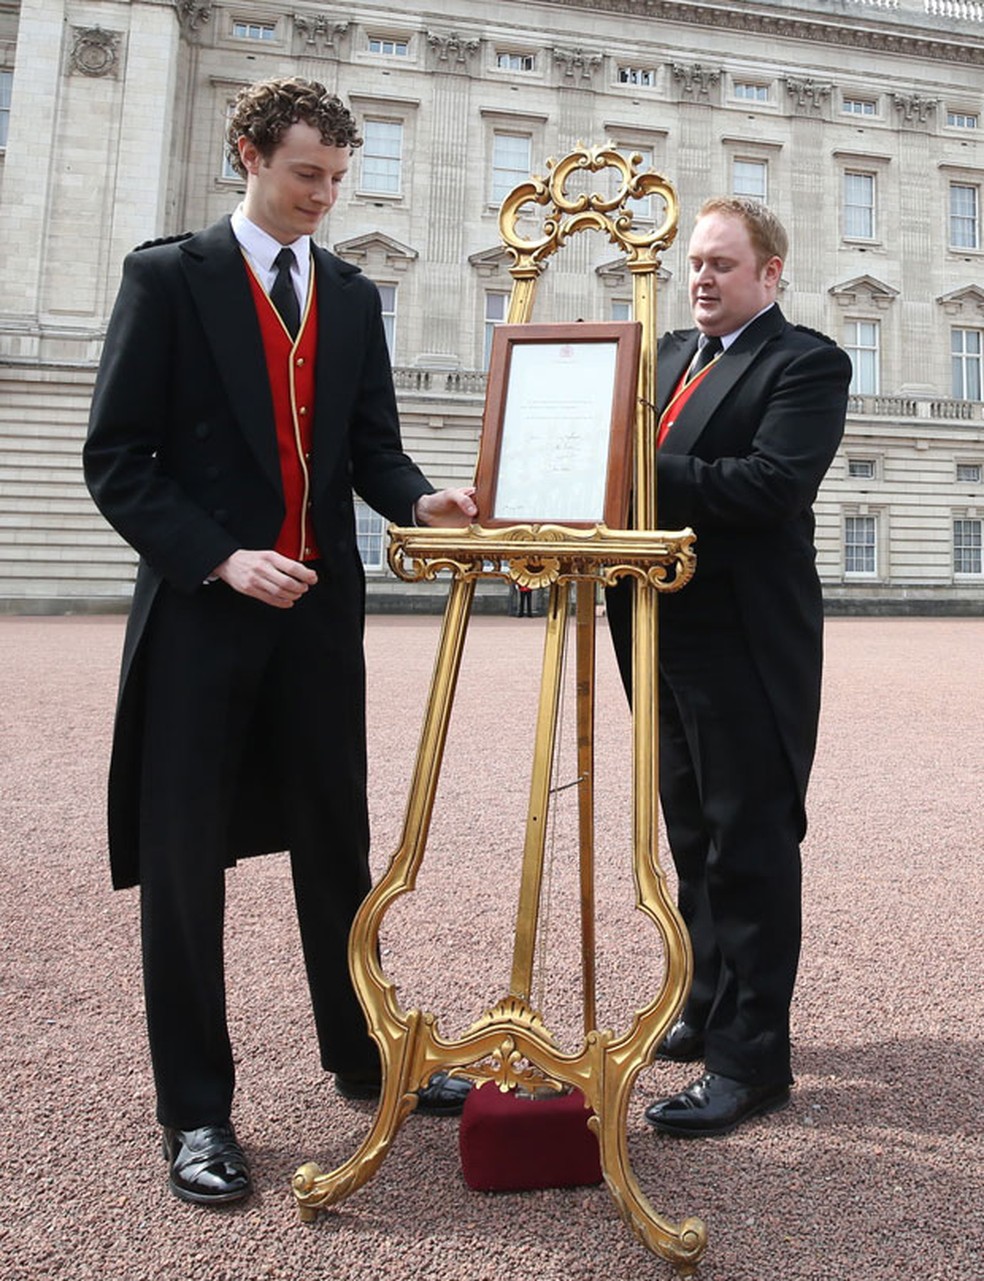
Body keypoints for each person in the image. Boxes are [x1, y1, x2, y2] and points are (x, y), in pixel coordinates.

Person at [83, 76, 477, 1206]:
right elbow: (117, 459)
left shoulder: (348, 294)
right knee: (184, 864)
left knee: (335, 844)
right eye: (307, 174)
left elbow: (371, 448)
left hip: (317, 618)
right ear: (249, 155)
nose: (324, 196)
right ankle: (196, 1112)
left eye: (338, 178)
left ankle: (362, 1055)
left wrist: (421, 502)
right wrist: (219, 554)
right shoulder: (168, 277)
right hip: (201, 617)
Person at [606, 197, 851, 1137]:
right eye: (695, 263)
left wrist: (629, 462)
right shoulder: (666, 355)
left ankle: (753, 1059)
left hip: (744, 634)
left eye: (721, 263)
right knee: (690, 829)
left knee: (748, 840)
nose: (701, 278)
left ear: (770, 273)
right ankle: (707, 999)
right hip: (657, 623)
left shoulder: (804, 362)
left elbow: (769, 485)